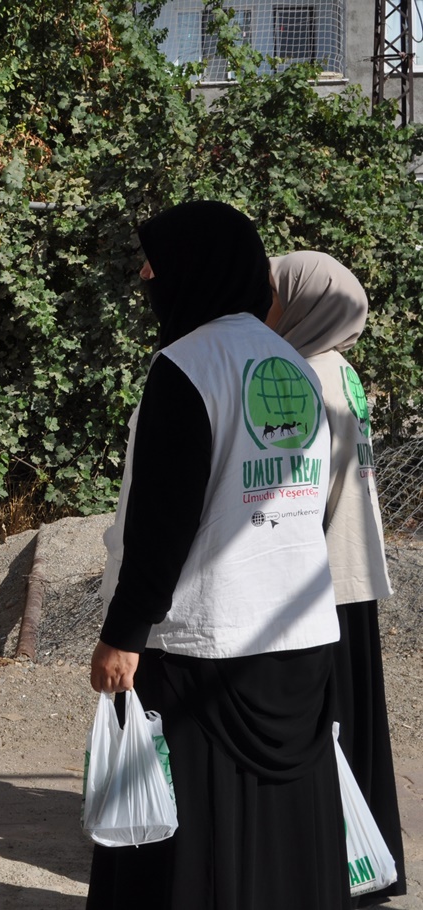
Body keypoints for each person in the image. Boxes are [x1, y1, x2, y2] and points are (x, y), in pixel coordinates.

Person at [89, 201, 348, 909]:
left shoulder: (187, 366)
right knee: (278, 832)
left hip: (205, 642)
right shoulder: (293, 365)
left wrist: (123, 633)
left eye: (155, 264)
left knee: (192, 841)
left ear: (194, 269)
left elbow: (163, 520)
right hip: (298, 634)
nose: (146, 278)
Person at [268, 251, 403, 906]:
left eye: (275, 294)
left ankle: (329, 865)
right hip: (353, 574)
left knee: (325, 727)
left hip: (319, 577)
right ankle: (365, 859)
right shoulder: (341, 369)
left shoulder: (304, 375)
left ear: (306, 304)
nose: (266, 307)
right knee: (355, 721)